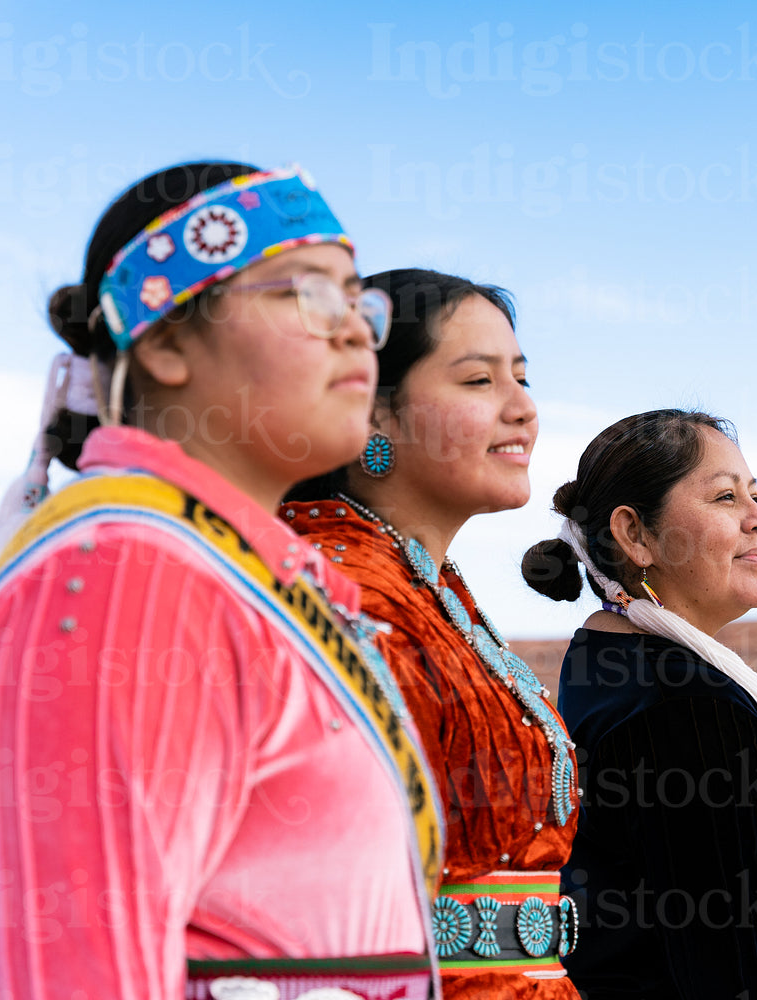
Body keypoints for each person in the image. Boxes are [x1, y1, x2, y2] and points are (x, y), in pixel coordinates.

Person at [0, 162, 443, 1000]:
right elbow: (80, 977)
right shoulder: (124, 578)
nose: (357, 330)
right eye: (305, 294)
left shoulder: (227, 574)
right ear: (166, 341)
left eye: (359, 300)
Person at [280, 269, 579, 998]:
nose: (523, 408)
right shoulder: (338, 590)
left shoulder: (422, 579)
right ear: (372, 414)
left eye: (522, 377)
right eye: (478, 381)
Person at [522, 409, 757, 1000]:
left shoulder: (608, 661)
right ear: (636, 535)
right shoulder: (690, 712)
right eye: (725, 498)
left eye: (756, 495)